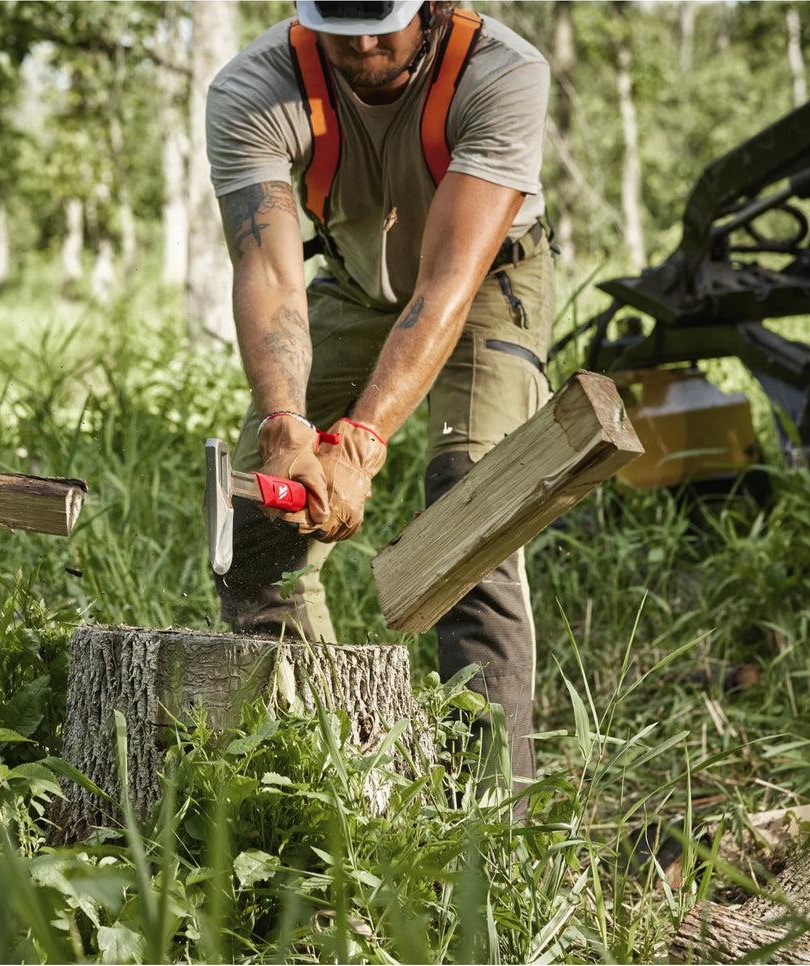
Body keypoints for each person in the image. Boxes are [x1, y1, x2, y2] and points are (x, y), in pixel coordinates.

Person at [205, 0, 554, 806]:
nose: (361, 40)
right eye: (340, 18)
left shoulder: (501, 72)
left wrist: (358, 444)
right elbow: (269, 272)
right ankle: (329, 783)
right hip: (354, 285)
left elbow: (446, 283)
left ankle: (489, 815)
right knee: (259, 521)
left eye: (380, 17)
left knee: (469, 508)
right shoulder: (253, 88)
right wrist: (286, 428)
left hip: (485, 287)